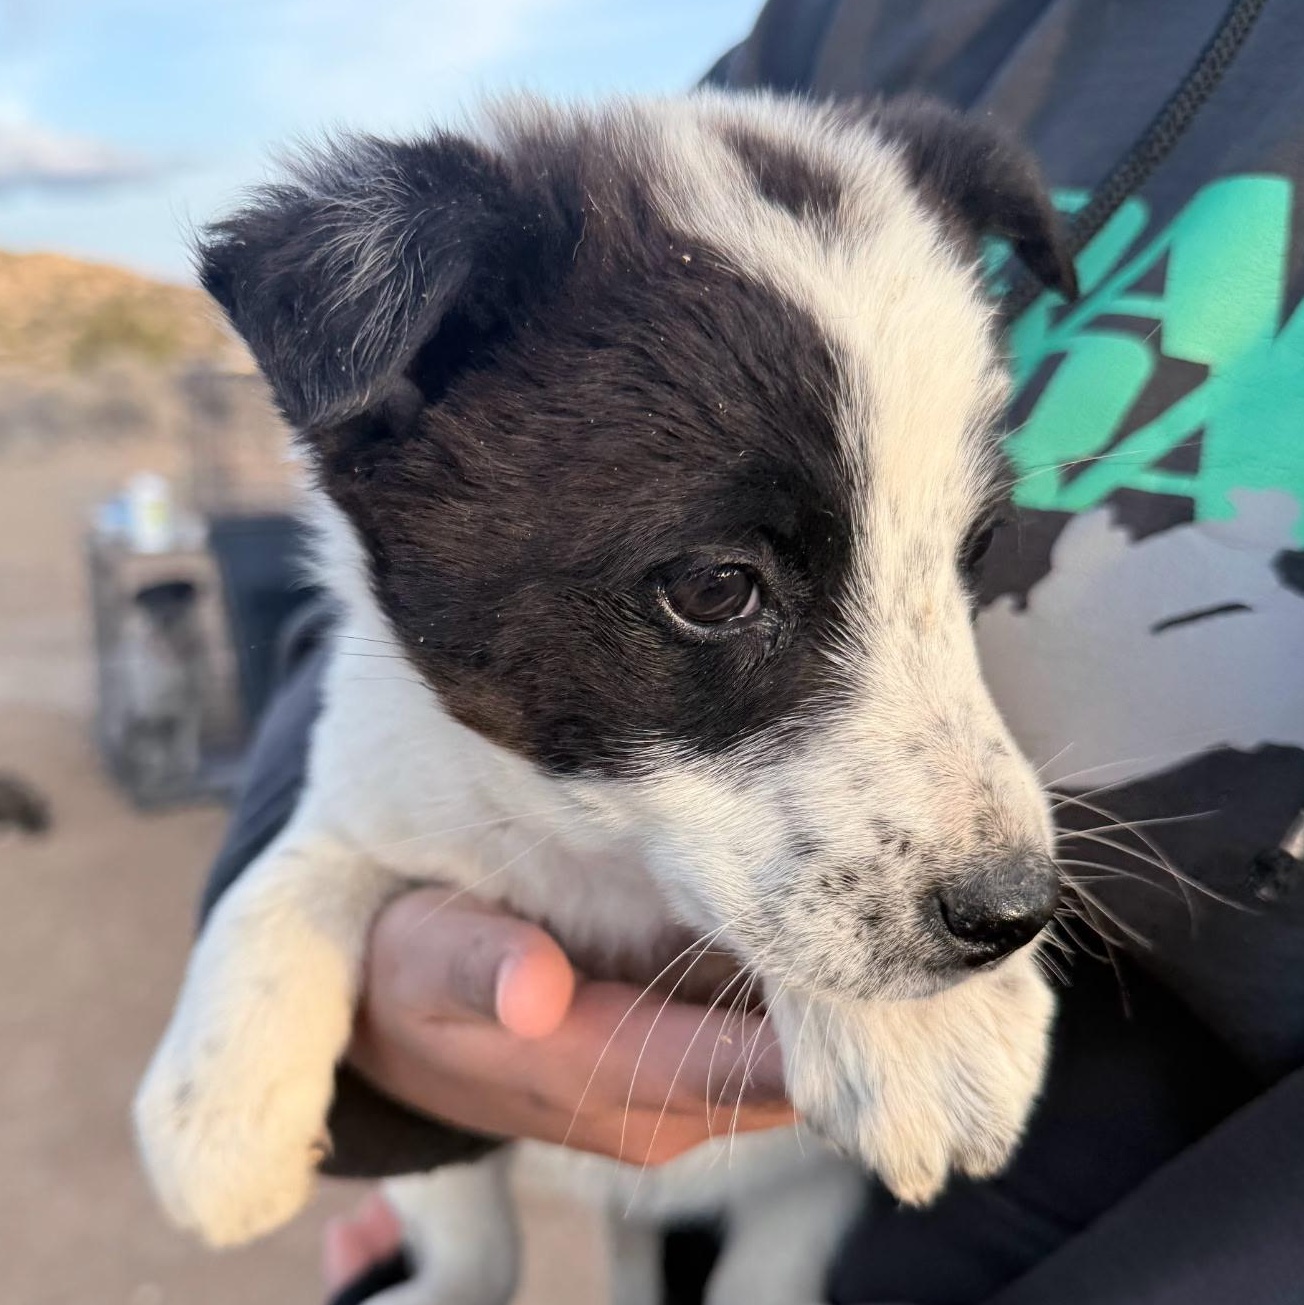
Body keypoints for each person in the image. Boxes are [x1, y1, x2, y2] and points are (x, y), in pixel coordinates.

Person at [199, 1, 1304, 1301]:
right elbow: (376, 666)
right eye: (723, 587)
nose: (1001, 831)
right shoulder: (869, 35)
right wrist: (349, 993)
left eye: (971, 538)